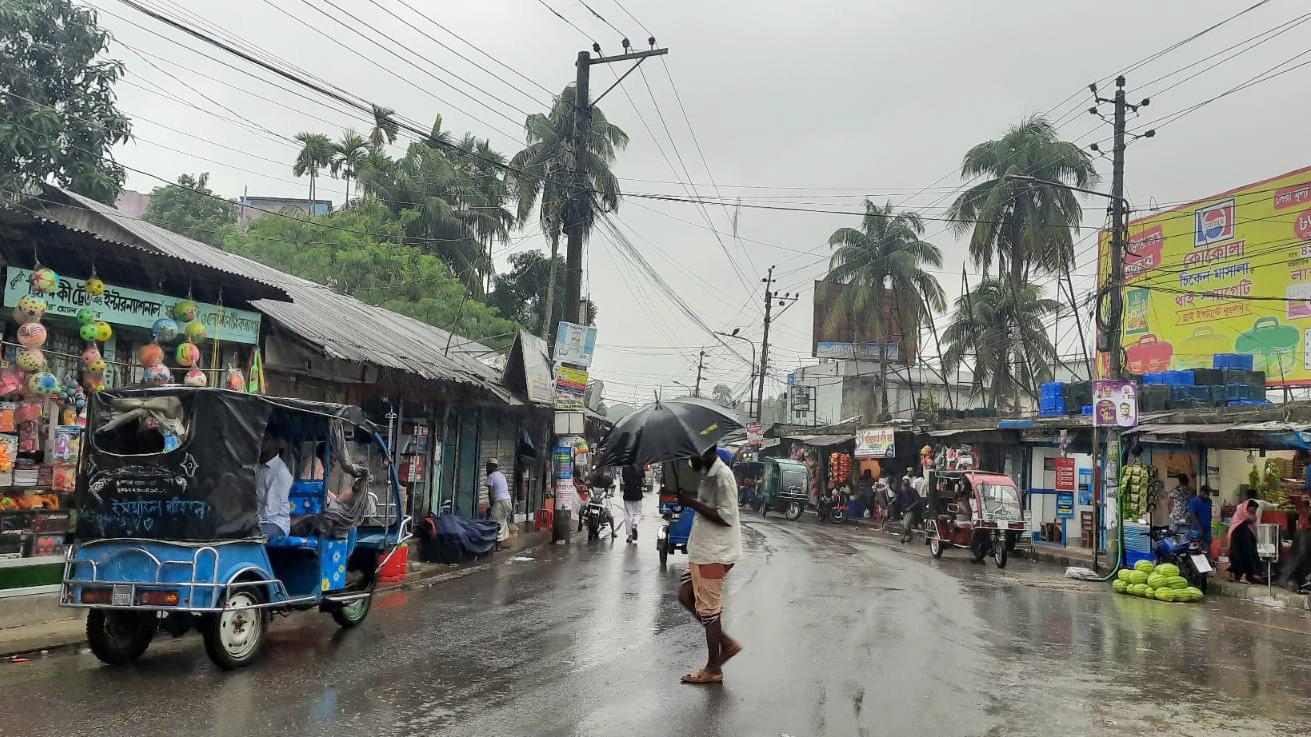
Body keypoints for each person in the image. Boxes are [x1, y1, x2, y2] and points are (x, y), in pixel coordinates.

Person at [675, 445, 744, 685]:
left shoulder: (723, 477)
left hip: (715, 553)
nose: (691, 457)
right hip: (701, 550)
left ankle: (713, 668)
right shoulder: (707, 471)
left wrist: (691, 503)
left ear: (708, 451)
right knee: (685, 595)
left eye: (695, 452)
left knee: (710, 612)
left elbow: (726, 517)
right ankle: (726, 644)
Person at [257, 430, 292, 538]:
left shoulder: (280, 472)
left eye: (266, 439)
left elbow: (271, 511)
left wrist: (249, 522)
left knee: (249, 537)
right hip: (257, 520)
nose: (261, 442)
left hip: (274, 523)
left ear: (278, 443)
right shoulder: (258, 468)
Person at [1227, 494, 1263, 584]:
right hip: (1239, 540)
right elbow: (1238, 526)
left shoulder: (1252, 517)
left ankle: (1239, 577)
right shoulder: (1240, 514)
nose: (1254, 511)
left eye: (1255, 509)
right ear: (1248, 507)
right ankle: (1240, 577)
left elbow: (1253, 528)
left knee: (1243, 557)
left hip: (1244, 542)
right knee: (1241, 558)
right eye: (1253, 508)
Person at [484, 458, 512, 546]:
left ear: (491, 467)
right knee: (501, 522)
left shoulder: (491, 476)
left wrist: (492, 506)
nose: (486, 469)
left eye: (487, 467)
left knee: (493, 523)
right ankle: (499, 545)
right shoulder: (501, 475)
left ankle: (494, 545)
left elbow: (490, 492)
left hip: (500, 502)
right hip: (508, 502)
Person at [1186, 485, 1214, 553]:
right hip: (1196, 529)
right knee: (1194, 548)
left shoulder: (1209, 501)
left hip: (1207, 529)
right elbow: (1193, 515)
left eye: (1207, 494)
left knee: (1208, 546)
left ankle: (1208, 561)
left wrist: (1210, 524)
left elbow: (1209, 513)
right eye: (1204, 494)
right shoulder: (1194, 501)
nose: (1206, 496)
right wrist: (1199, 527)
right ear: (1200, 492)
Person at [621, 463, 645, 543]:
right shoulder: (640, 466)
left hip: (627, 492)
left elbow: (624, 480)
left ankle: (630, 536)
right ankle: (634, 525)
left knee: (628, 515)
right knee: (637, 513)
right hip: (637, 492)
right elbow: (643, 482)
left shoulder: (625, 467)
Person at [897, 478, 920, 543]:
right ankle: (910, 536)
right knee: (905, 524)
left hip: (912, 510)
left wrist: (910, 507)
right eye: (904, 486)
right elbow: (897, 498)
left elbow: (917, 500)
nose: (905, 487)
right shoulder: (901, 491)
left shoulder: (913, 491)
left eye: (906, 486)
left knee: (907, 524)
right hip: (904, 509)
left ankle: (903, 537)